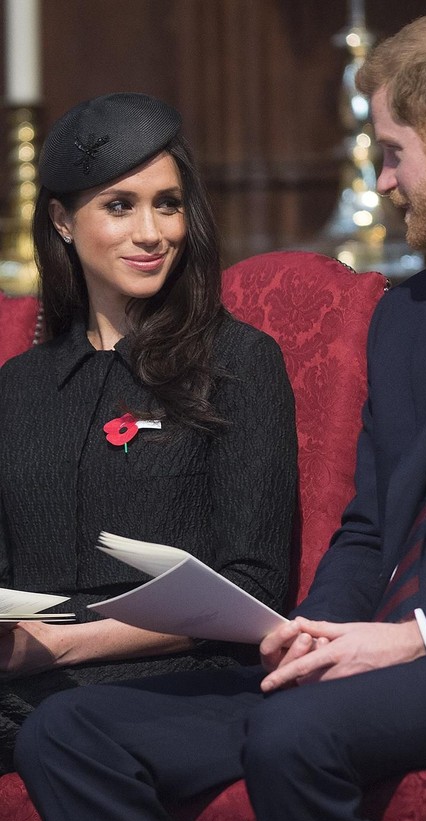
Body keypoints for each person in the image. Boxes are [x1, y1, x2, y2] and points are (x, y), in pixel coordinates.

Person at [14, 10, 426, 821]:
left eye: (393, 151)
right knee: (70, 730)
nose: (384, 182)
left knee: (297, 734)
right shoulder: (416, 314)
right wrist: (313, 630)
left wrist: (416, 635)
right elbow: (368, 525)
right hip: (384, 656)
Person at [0, 93, 297, 774]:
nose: (152, 231)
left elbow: (256, 587)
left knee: (59, 722)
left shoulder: (240, 361)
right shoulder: (17, 386)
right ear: (61, 222)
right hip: (30, 680)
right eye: (119, 205)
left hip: (186, 676)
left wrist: (61, 644)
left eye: (167, 203)